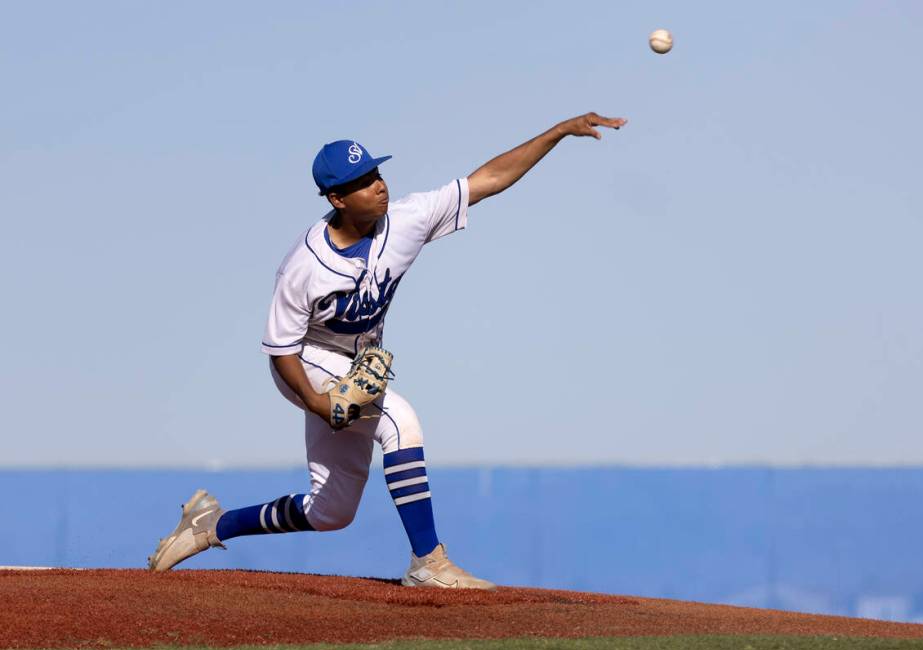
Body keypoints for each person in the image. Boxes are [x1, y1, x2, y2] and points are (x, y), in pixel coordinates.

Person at [148, 112, 627, 589]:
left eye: (377, 173)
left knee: (332, 511)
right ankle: (429, 562)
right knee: (400, 421)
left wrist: (558, 132)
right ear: (337, 198)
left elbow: (488, 180)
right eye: (362, 181)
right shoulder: (304, 265)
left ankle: (210, 526)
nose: (378, 185)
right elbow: (281, 352)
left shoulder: (406, 219)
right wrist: (318, 402)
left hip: (355, 363)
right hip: (304, 359)